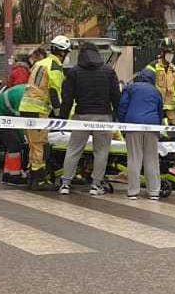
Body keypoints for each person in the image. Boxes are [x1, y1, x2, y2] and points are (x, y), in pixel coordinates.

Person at [58, 42, 122, 195]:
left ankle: (65, 183)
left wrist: (62, 118)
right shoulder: (108, 71)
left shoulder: (74, 72)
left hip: (81, 116)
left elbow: (67, 98)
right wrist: (117, 116)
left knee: (74, 149)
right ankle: (96, 185)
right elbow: (116, 96)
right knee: (101, 152)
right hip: (103, 116)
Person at [18, 35, 71, 189]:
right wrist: (60, 114)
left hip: (26, 108)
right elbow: (54, 91)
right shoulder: (54, 65)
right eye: (67, 52)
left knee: (34, 144)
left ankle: (33, 177)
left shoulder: (39, 63)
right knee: (40, 144)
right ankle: (38, 180)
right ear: (62, 52)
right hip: (38, 110)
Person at [117, 67, 165, 200]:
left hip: (133, 125)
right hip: (152, 126)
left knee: (134, 158)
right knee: (152, 159)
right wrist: (158, 127)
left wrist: (123, 125)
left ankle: (133, 191)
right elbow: (160, 111)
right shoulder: (156, 91)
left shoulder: (130, 88)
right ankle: (154, 191)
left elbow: (122, 107)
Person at [151, 40, 175, 123]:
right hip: (157, 107)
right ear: (162, 52)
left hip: (172, 110)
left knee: (171, 133)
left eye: (172, 53)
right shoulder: (154, 67)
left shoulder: (174, 70)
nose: (171, 55)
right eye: (169, 53)